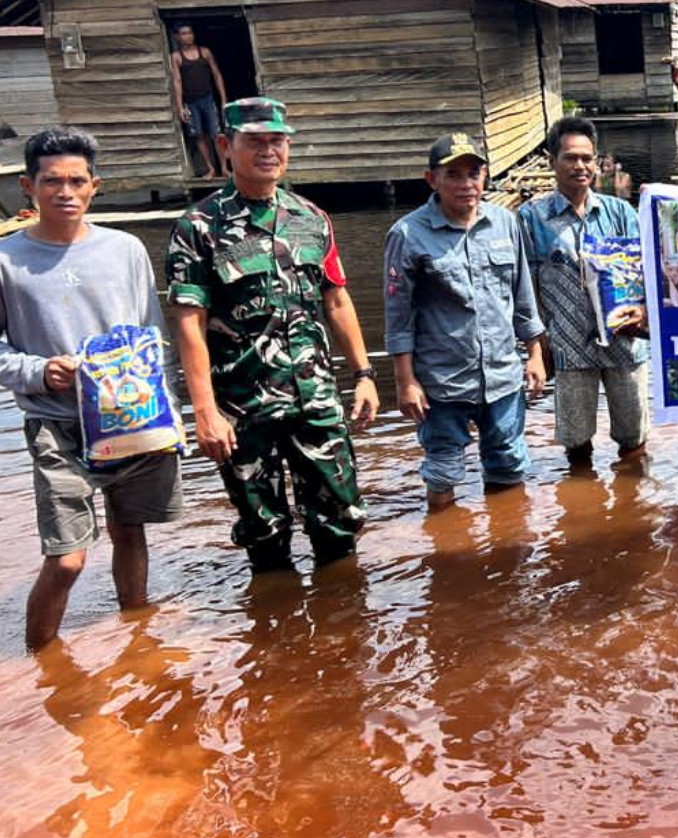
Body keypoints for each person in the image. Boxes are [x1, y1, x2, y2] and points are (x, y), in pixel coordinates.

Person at [166, 97, 379, 573]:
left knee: (341, 521)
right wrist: (204, 411)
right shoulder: (199, 227)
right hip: (243, 408)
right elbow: (188, 322)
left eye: (277, 141)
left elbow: (337, 300)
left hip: (315, 399)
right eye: (254, 141)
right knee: (263, 533)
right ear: (225, 145)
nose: (268, 151)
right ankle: (274, 637)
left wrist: (364, 374)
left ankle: (343, 635)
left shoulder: (311, 217)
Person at [0, 128, 183, 650]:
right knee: (66, 559)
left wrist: (169, 415)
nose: (65, 192)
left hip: (131, 418)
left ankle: (138, 642)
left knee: (131, 531)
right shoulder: (8, 261)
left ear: (95, 186)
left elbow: (153, 335)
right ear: (27, 186)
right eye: (52, 181)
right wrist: (38, 371)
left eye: (77, 181)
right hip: (56, 424)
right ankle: (35, 664)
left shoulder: (124, 250)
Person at [384, 132, 546, 511]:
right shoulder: (408, 235)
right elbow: (398, 316)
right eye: (453, 174)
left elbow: (523, 296)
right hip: (442, 382)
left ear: (485, 176)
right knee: (443, 471)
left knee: (508, 462)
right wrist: (405, 381)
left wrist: (536, 354)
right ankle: (446, 554)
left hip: (503, 376)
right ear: (432, 180)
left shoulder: (505, 223)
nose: (466, 184)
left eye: (473, 173)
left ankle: (508, 552)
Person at [518, 116, 649, 466]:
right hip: (569, 346)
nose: (580, 166)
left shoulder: (620, 213)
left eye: (587, 158)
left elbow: (644, 274)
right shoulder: (531, 219)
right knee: (576, 445)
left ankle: (632, 510)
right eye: (570, 157)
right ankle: (581, 507)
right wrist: (537, 344)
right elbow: (525, 290)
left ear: (596, 161)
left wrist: (644, 317)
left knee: (634, 440)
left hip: (625, 341)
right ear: (552, 161)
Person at [169, 23, 229, 180]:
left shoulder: (205, 52)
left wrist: (223, 99)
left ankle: (224, 168)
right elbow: (177, 81)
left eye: (189, 33)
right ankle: (210, 168)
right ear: (177, 37)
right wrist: (180, 106)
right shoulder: (176, 57)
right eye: (183, 34)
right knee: (199, 135)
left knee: (216, 134)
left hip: (207, 99)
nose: (187, 36)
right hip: (190, 102)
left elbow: (217, 75)